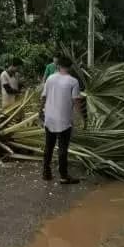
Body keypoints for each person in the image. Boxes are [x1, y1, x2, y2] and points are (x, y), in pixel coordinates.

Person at [40, 56, 81, 184]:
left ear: (58, 66)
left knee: (49, 146)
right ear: (70, 67)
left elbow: (43, 97)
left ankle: (46, 173)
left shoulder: (50, 79)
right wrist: (79, 118)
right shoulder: (73, 81)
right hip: (64, 120)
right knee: (62, 148)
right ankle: (63, 176)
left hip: (50, 118)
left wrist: (40, 112)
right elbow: (76, 101)